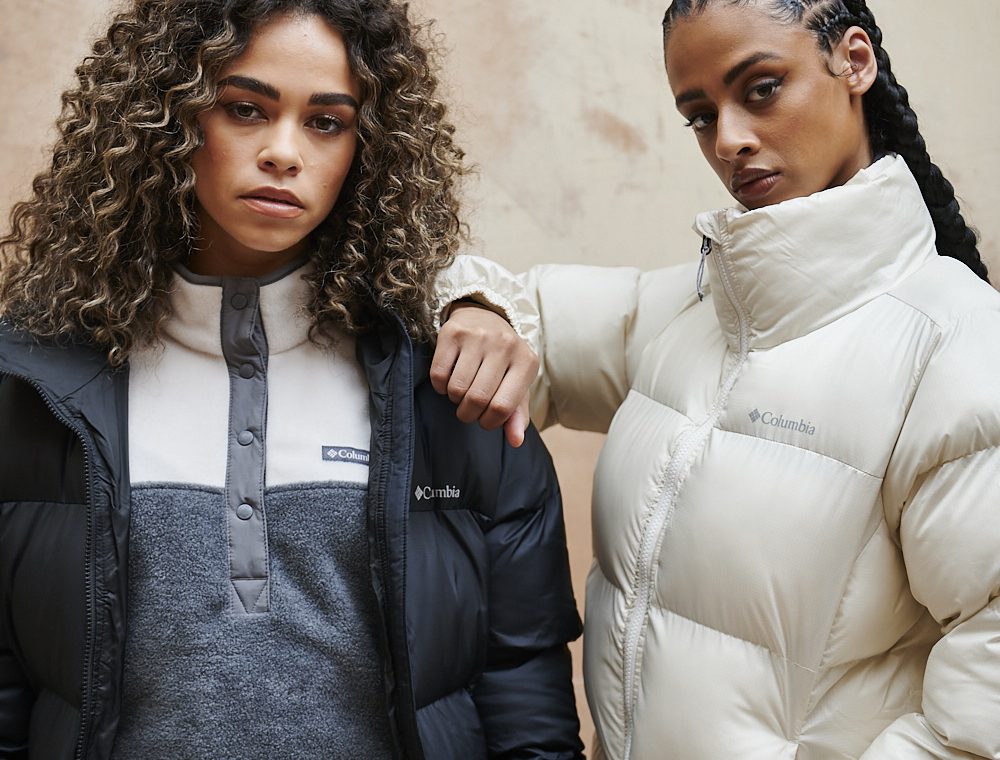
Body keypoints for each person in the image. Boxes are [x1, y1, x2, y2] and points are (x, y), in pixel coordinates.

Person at [0, 1, 585, 758]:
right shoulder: (34, 390)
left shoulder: (450, 389)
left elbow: (522, 689)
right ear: (166, 118)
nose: (284, 152)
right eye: (245, 109)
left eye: (326, 122)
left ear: (369, 150)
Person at [432, 0, 1000, 758]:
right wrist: (476, 309)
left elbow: (983, 716)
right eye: (700, 116)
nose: (729, 139)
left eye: (761, 88)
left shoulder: (958, 348)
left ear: (855, 61)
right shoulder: (692, 313)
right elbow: (517, 311)